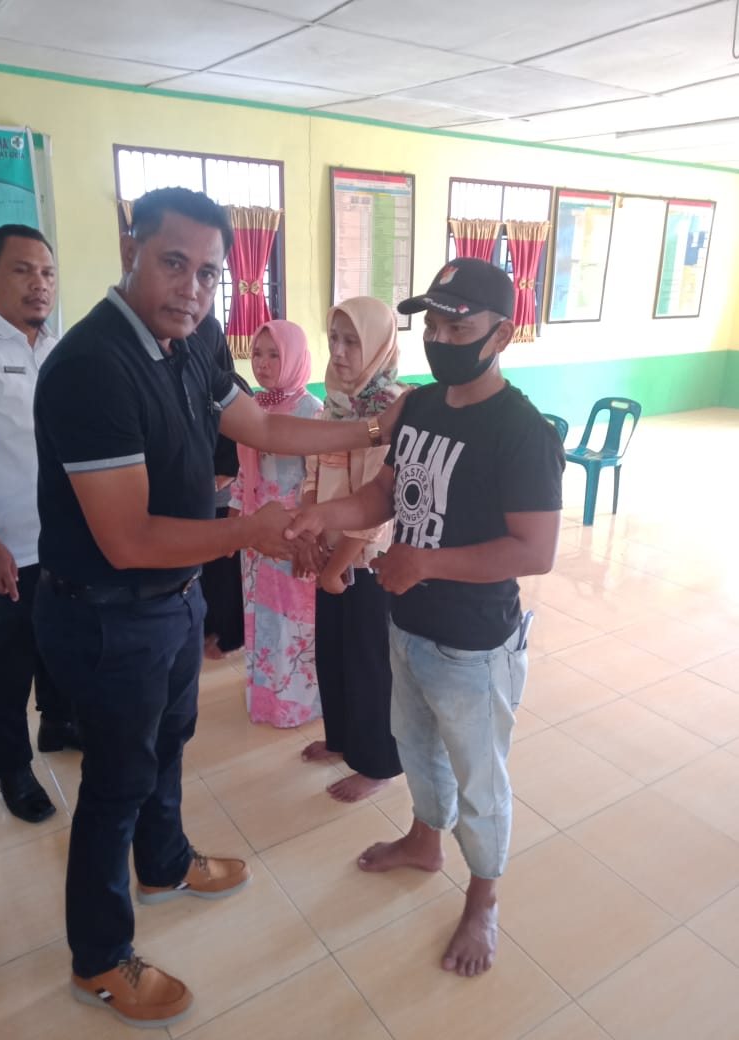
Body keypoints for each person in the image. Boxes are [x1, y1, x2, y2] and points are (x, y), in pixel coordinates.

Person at [31, 187, 403, 1030]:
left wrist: (370, 432)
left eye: (208, 273)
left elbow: (260, 427)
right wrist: (250, 531)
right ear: (130, 249)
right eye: (174, 263)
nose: (193, 289)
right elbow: (127, 537)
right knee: (115, 784)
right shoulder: (92, 367)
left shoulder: (194, 337)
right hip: (106, 612)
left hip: (173, 597)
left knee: (169, 745)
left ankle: (164, 864)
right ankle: (99, 958)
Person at [288, 257, 564, 977]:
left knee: (479, 779)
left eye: (458, 327)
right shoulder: (420, 407)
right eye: (433, 325)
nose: (441, 339)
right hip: (407, 623)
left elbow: (535, 551)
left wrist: (427, 563)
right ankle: (422, 840)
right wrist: (325, 514)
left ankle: (483, 898)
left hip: (475, 643)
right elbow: (386, 494)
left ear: (501, 334)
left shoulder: (522, 431)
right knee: (415, 747)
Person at [0, 224, 79, 825]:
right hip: (7, 541)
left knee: (63, 635)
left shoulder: (58, 349)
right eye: (22, 270)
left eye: (47, 272)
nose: (39, 284)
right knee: (11, 652)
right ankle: (11, 767)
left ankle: (58, 721)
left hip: (64, 533)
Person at [298, 297, 404, 802]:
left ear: (379, 345)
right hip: (331, 560)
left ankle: (377, 763)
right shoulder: (334, 405)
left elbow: (379, 509)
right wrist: (310, 537)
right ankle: (342, 738)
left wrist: (335, 565)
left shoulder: (391, 414)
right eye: (334, 339)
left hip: (366, 566)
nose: (338, 352)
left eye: (352, 341)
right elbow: (313, 475)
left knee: (369, 666)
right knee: (334, 655)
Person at [229, 319, 322, 727]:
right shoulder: (254, 407)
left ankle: (297, 706)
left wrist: (307, 536)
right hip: (256, 532)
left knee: (293, 621)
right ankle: (265, 701)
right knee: (261, 617)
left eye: (274, 355)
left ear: (295, 358)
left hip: (292, 533)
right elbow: (244, 473)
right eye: (258, 353)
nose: (262, 364)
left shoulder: (311, 411)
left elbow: (317, 481)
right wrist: (235, 522)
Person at [189, 313, 246, 660]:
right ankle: (207, 630)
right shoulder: (183, 384)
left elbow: (250, 441)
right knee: (206, 571)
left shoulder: (231, 387)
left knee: (224, 573)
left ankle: (226, 636)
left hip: (225, 497)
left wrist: (228, 472)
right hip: (196, 499)